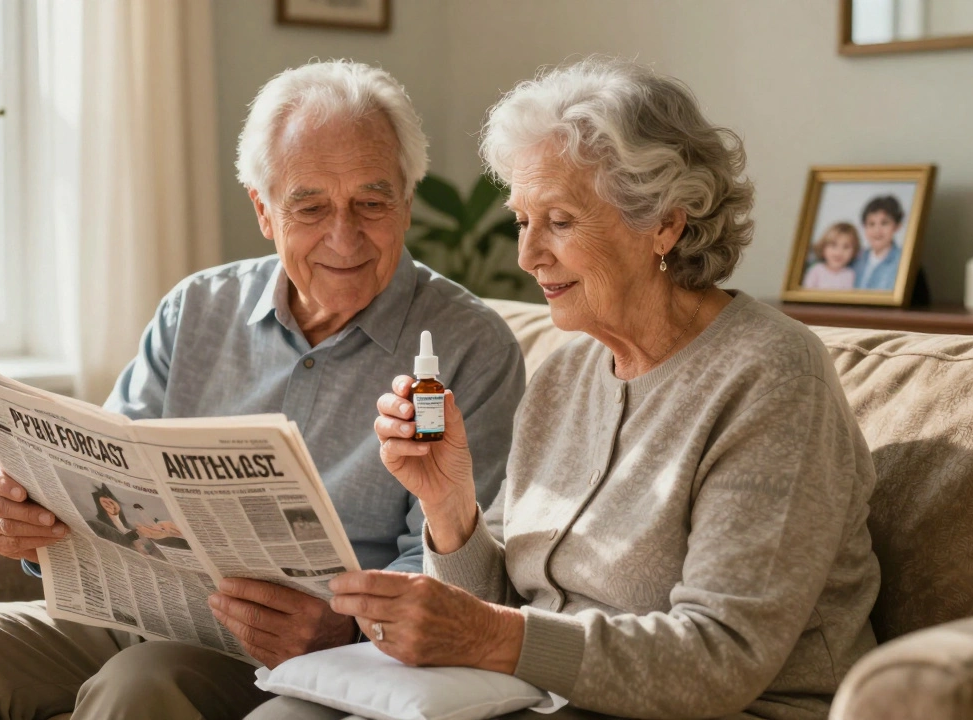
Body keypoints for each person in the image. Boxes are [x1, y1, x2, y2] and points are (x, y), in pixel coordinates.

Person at [0, 61, 526, 720]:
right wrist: (33, 513)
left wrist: (350, 628)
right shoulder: (197, 307)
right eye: (310, 206)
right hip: (148, 614)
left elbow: (453, 566)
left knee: (143, 680)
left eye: (372, 201)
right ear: (264, 211)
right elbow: (102, 478)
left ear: (406, 201)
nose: (345, 235)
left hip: (316, 652)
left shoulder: (471, 349)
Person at [250, 58, 880, 720]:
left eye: (559, 220)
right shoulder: (565, 371)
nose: (527, 256)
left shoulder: (771, 375)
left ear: (664, 222)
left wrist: (493, 638)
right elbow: (502, 600)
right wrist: (449, 505)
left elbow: (721, 655)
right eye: (523, 220)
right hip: (537, 700)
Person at [852, 195, 905, 290]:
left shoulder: (903, 260)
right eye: (871, 224)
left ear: (897, 226)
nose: (877, 231)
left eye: (884, 223)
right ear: (864, 227)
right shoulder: (856, 258)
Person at [801, 221, 860, 290]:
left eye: (846, 247)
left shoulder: (850, 275)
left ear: (854, 251)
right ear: (823, 247)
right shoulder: (816, 271)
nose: (839, 252)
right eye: (833, 245)